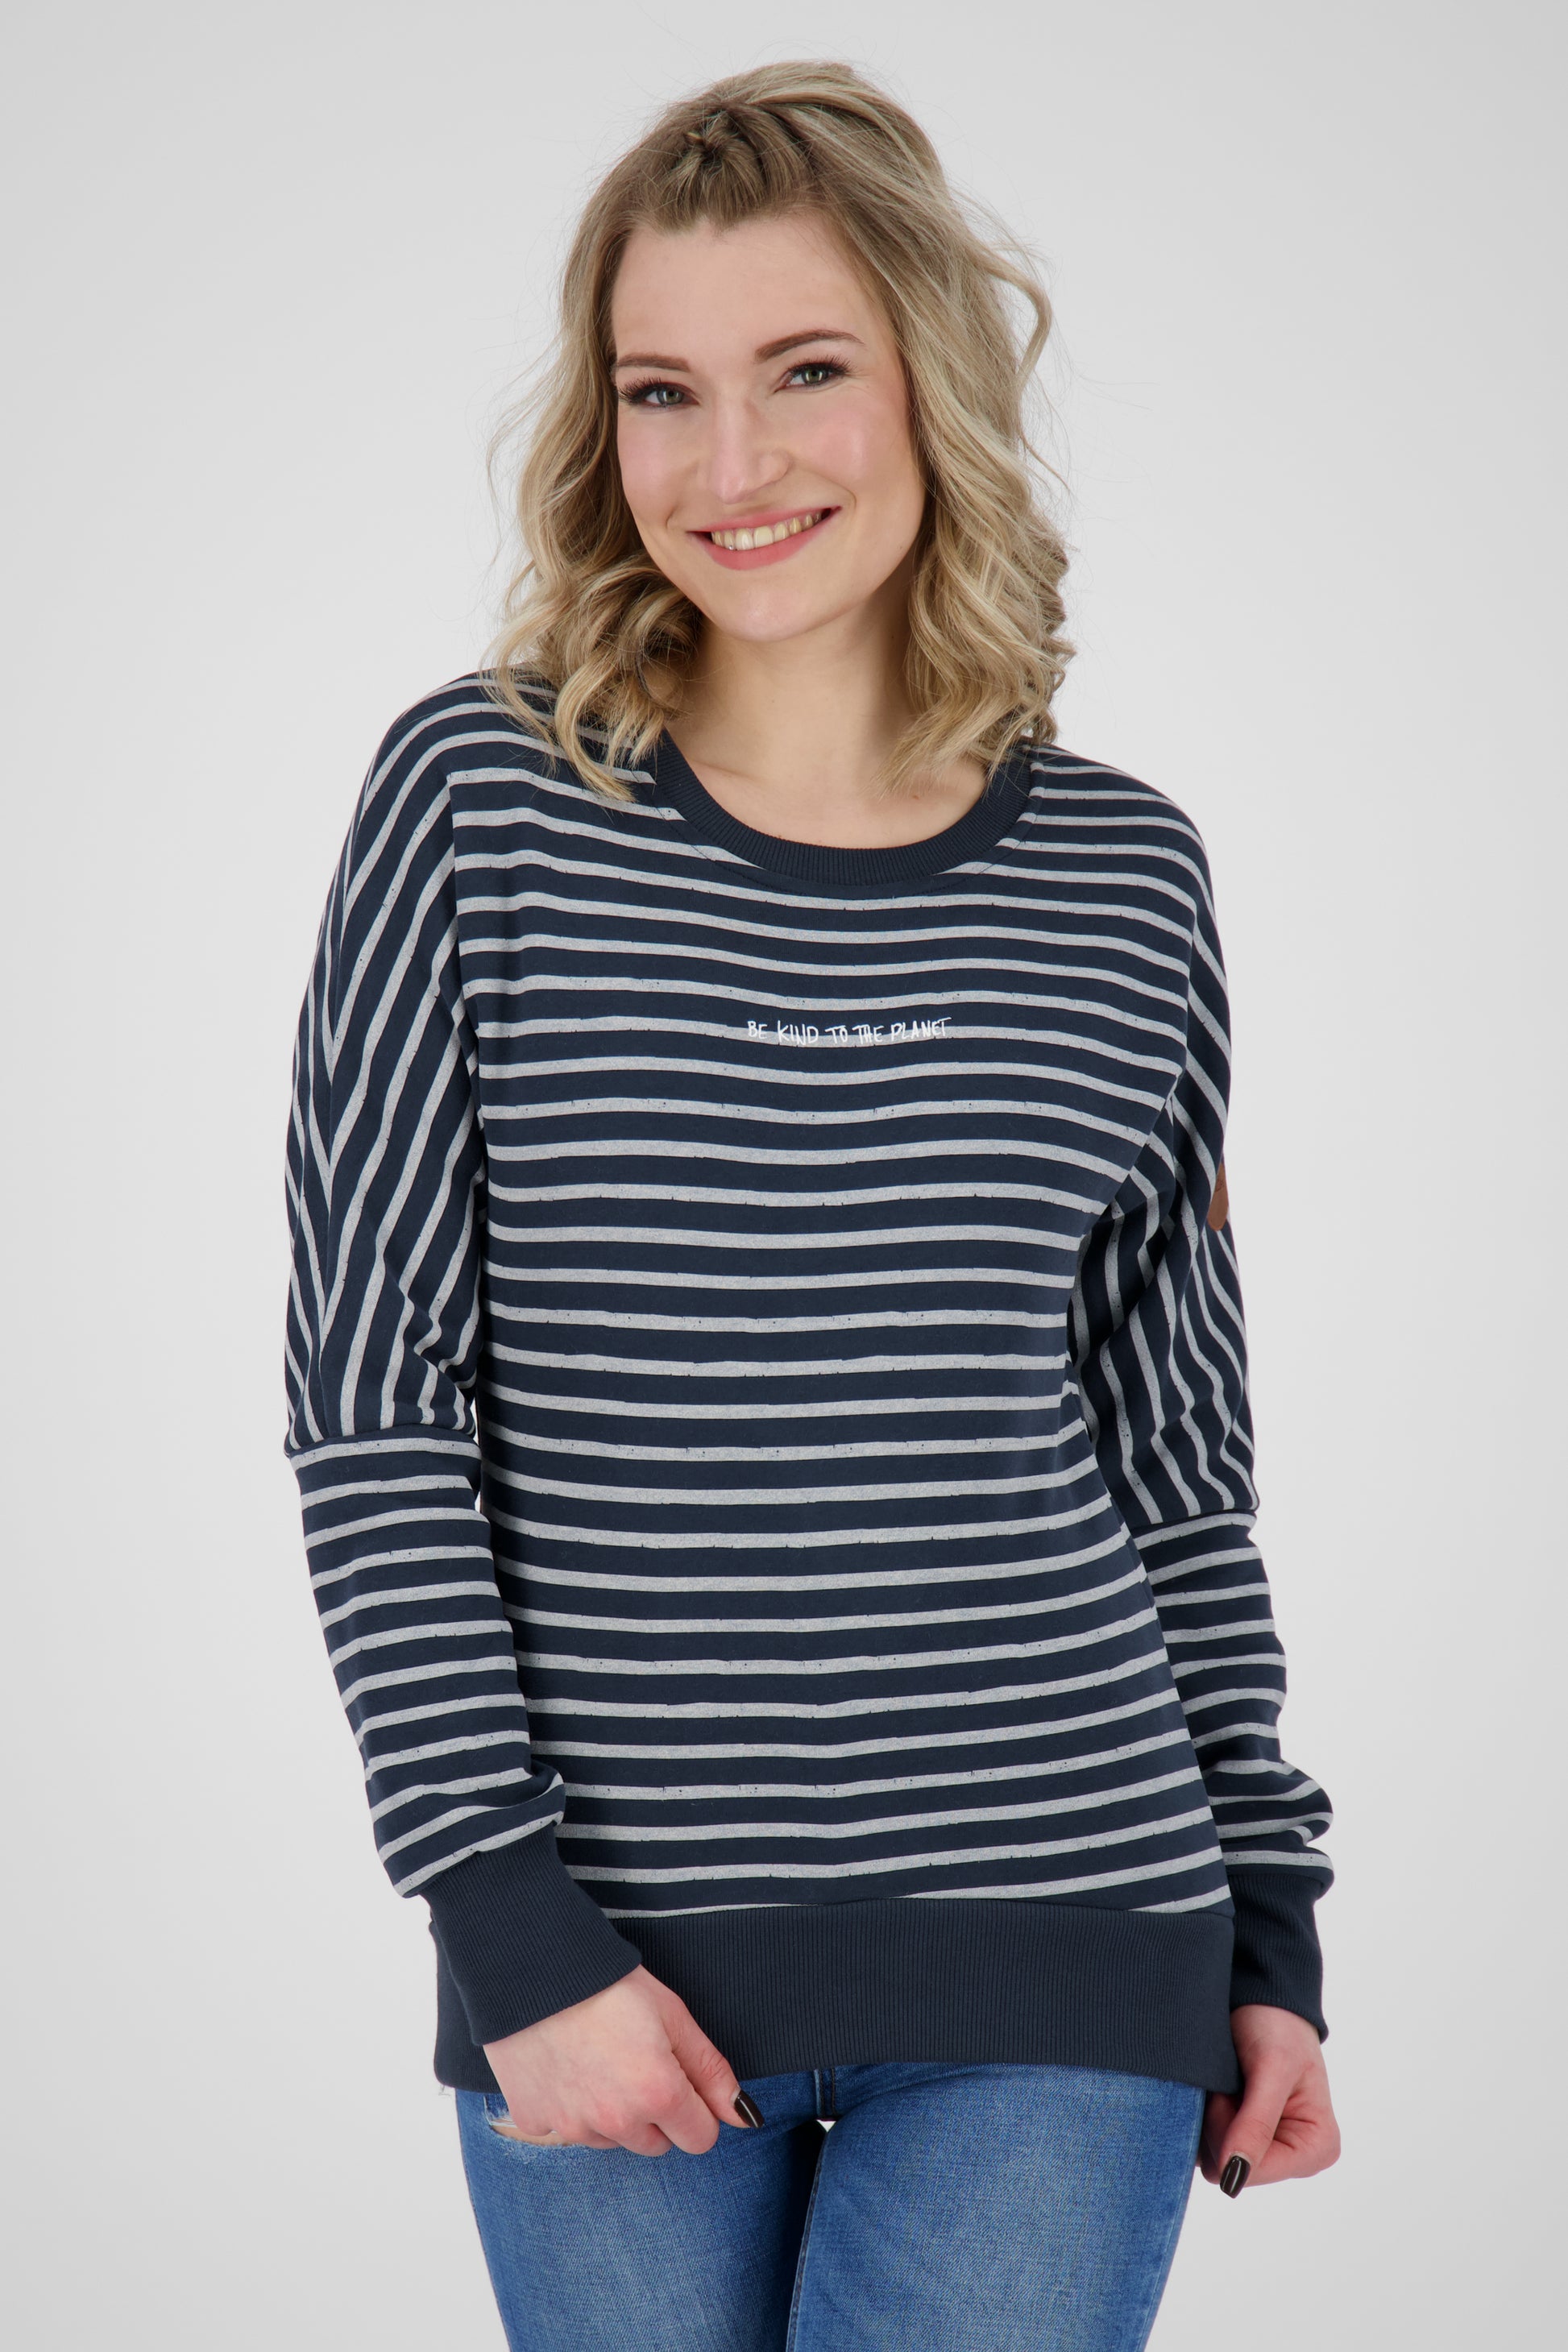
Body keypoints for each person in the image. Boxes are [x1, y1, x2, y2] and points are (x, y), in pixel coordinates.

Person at [284, 60, 1338, 2352]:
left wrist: (1268, 1922)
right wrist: (508, 1926)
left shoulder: (1124, 878)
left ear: (931, 384)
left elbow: (1175, 1462)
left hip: (1072, 1931)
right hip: (605, 1968)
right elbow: (375, 1413)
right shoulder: (478, 802)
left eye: (804, 372)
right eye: (661, 391)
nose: (729, 465)